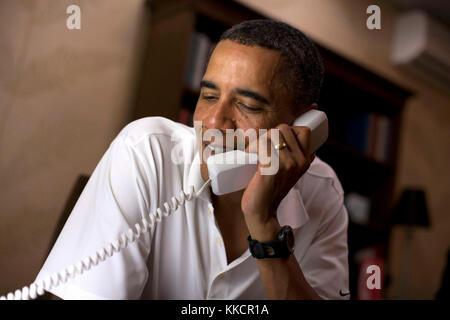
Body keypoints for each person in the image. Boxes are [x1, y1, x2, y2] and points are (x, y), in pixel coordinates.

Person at [35, 19, 349, 300]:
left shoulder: (323, 192)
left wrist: (264, 223)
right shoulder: (146, 151)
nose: (213, 122)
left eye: (248, 105)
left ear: (302, 127)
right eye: (209, 96)